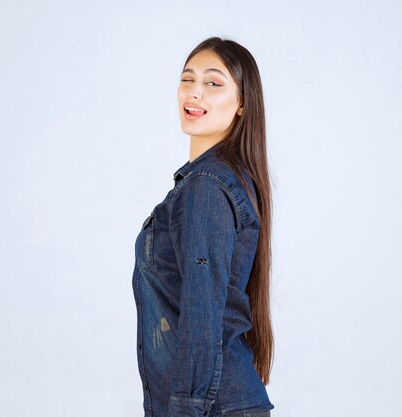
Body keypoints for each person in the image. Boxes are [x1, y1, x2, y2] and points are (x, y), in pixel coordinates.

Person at [132, 36, 275, 417]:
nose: (195, 93)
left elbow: (202, 314)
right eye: (187, 79)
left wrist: (185, 411)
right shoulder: (222, 180)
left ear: (243, 103)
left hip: (211, 408)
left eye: (213, 83)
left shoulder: (207, 188)